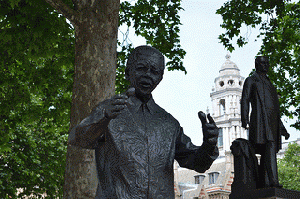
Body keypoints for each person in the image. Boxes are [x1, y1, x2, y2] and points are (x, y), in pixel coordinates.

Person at [69, 45, 219, 199]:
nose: (148, 75)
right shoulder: (108, 111)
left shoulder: (168, 124)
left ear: (160, 78)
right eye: (141, 68)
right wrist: (103, 117)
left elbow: (198, 163)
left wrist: (209, 143)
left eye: (154, 72)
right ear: (128, 72)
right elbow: (78, 138)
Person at [241, 56, 290, 188]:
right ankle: (273, 182)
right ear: (256, 64)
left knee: (269, 152)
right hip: (259, 122)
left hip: (272, 123)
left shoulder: (270, 85)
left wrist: (282, 129)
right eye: (263, 63)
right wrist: (244, 119)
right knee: (269, 148)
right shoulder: (251, 80)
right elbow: (245, 99)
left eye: (267, 63)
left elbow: (274, 109)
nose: (265, 65)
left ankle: (265, 182)